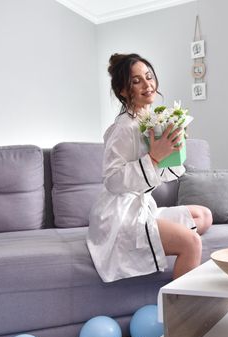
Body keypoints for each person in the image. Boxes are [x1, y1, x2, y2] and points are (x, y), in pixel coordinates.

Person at [87, 53, 212, 283]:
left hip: (143, 207)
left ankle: (161, 241)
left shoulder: (149, 120)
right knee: (192, 242)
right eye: (137, 81)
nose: (147, 85)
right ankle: (182, 314)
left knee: (204, 215)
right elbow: (112, 180)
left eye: (149, 76)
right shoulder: (124, 128)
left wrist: (173, 151)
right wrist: (154, 157)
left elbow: (158, 173)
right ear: (124, 91)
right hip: (120, 215)